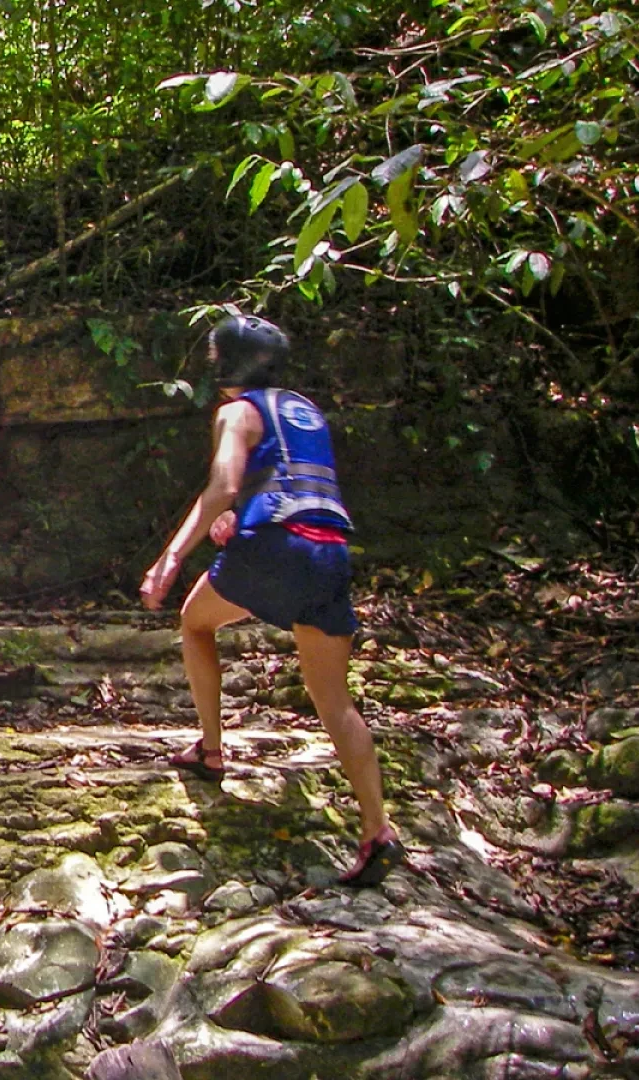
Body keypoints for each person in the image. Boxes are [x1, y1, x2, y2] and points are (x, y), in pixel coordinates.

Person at [139, 314, 404, 887]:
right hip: (329, 553)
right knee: (335, 702)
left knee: (195, 622)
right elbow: (290, 485)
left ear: (229, 364)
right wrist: (237, 518)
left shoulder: (236, 412)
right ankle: (377, 828)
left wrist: (172, 557)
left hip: (277, 548)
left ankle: (211, 751)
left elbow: (224, 484)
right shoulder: (305, 410)